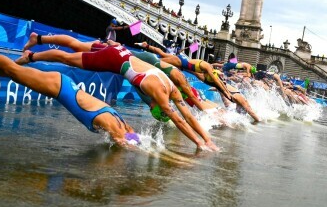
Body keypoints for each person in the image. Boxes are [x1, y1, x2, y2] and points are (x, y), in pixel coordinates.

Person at [15, 45, 219, 151]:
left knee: (77, 49)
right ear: (156, 104)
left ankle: (32, 55)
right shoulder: (160, 92)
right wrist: (199, 144)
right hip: (114, 58)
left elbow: (189, 117)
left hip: (122, 53)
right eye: (153, 109)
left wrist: (207, 139)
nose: (151, 108)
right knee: (67, 58)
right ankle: (31, 56)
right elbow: (180, 121)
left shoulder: (171, 87)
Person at [0, 54, 140, 147]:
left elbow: (133, 136)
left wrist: (144, 146)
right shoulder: (113, 125)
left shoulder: (123, 124)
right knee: (13, 70)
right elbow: (124, 146)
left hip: (63, 84)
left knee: (13, 73)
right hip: (59, 87)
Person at [140, 42, 233, 101]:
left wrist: (225, 90)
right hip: (181, 62)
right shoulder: (207, 68)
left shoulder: (205, 70)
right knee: (158, 60)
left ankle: (146, 46)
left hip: (183, 63)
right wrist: (226, 92)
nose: (221, 74)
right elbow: (216, 81)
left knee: (161, 56)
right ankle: (144, 51)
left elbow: (218, 82)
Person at [22, 32, 120, 52]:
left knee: (76, 47)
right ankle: (37, 39)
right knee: (74, 46)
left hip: (108, 49)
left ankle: (38, 40)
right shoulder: (111, 29)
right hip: (110, 51)